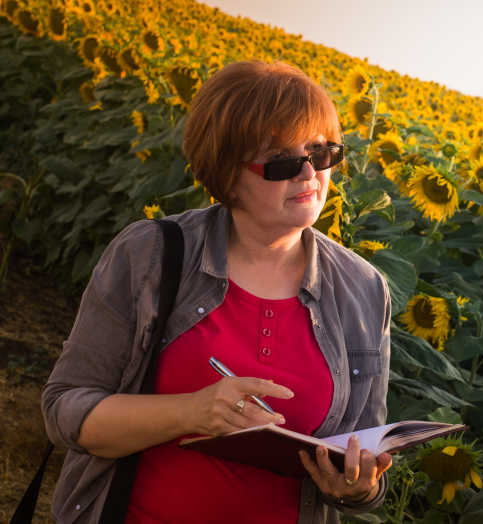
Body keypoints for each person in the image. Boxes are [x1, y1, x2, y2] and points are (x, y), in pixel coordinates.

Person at [41, 60, 392, 524]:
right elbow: (65, 411)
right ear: (227, 173)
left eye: (322, 153)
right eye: (283, 161)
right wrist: (193, 413)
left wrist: (358, 487)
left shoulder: (364, 289)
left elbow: (364, 453)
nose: (309, 175)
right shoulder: (151, 254)